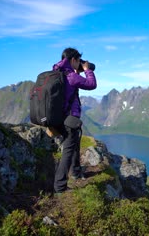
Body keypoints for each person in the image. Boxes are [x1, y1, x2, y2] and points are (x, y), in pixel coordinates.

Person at [53, 47, 97, 193]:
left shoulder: (59, 73)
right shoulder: (71, 76)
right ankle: (60, 187)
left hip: (60, 118)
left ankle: (76, 172)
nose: (80, 63)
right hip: (69, 120)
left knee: (73, 145)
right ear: (73, 60)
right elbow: (91, 84)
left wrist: (78, 71)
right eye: (78, 61)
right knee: (68, 151)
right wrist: (87, 69)